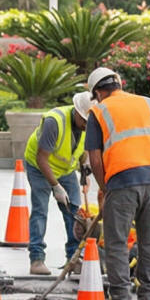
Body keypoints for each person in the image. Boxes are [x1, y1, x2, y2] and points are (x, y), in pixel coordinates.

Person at [82, 67, 150, 300]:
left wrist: (106, 188)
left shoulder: (99, 111)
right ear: (119, 84)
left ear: (97, 93)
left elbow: (94, 159)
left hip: (122, 181)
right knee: (149, 244)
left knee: (116, 243)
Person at [23, 91, 93, 275]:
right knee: (40, 211)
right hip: (39, 167)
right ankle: (37, 259)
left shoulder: (89, 125)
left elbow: (82, 148)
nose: (87, 126)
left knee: (75, 213)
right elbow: (41, 158)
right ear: (77, 112)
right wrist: (55, 186)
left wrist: (84, 167)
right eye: (84, 121)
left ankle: (74, 258)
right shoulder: (54, 122)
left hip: (65, 170)